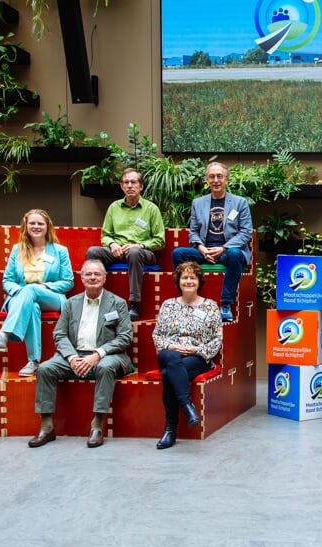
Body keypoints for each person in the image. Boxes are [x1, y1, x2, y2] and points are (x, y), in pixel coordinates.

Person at [28, 259, 133, 449]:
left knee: (105, 367)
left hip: (107, 354)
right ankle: (46, 427)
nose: (93, 277)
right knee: (44, 368)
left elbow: (125, 337)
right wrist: (72, 357)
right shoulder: (70, 303)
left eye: (97, 274)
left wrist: (98, 354)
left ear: (104, 278)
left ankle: (97, 426)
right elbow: (59, 334)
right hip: (74, 353)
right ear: (81, 278)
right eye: (88, 274)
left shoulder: (117, 303)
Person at [0, 209, 73, 377]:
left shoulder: (60, 251)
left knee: (31, 291)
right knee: (32, 306)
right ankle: (34, 361)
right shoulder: (17, 249)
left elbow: (68, 281)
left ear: (47, 226)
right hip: (23, 297)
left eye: (40, 223)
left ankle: (3, 334)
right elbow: (7, 280)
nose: (36, 226)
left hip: (51, 297)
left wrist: (45, 287)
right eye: (32, 223)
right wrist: (20, 291)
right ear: (25, 226)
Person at [152, 262, 223, 450]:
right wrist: (171, 345)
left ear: (199, 281)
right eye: (185, 277)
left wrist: (196, 350)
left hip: (197, 357)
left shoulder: (210, 306)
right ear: (179, 281)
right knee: (172, 358)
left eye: (193, 277)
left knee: (168, 374)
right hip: (169, 353)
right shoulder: (168, 305)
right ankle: (188, 406)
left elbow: (217, 338)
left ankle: (170, 429)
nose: (189, 281)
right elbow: (157, 334)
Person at [171, 161, 253, 322]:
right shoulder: (198, 203)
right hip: (204, 250)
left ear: (226, 180)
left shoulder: (239, 203)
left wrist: (223, 248)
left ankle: (226, 304)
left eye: (219, 176)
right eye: (212, 177)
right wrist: (201, 248)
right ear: (207, 181)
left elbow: (246, 232)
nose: (216, 180)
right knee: (178, 254)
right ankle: (187, 299)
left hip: (227, 251)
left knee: (236, 254)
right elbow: (193, 231)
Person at [84, 167, 165, 321]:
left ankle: (134, 304)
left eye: (133, 182)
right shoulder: (114, 208)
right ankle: (95, 297)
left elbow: (160, 241)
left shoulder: (151, 209)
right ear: (121, 186)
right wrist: (112, 244)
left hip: (142, 253)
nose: (129, 186)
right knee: (92, 252)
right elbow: (106, 235)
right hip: (117, 252)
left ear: (141, 186)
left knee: (133, 253)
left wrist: (139, 245)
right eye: (126, 183)